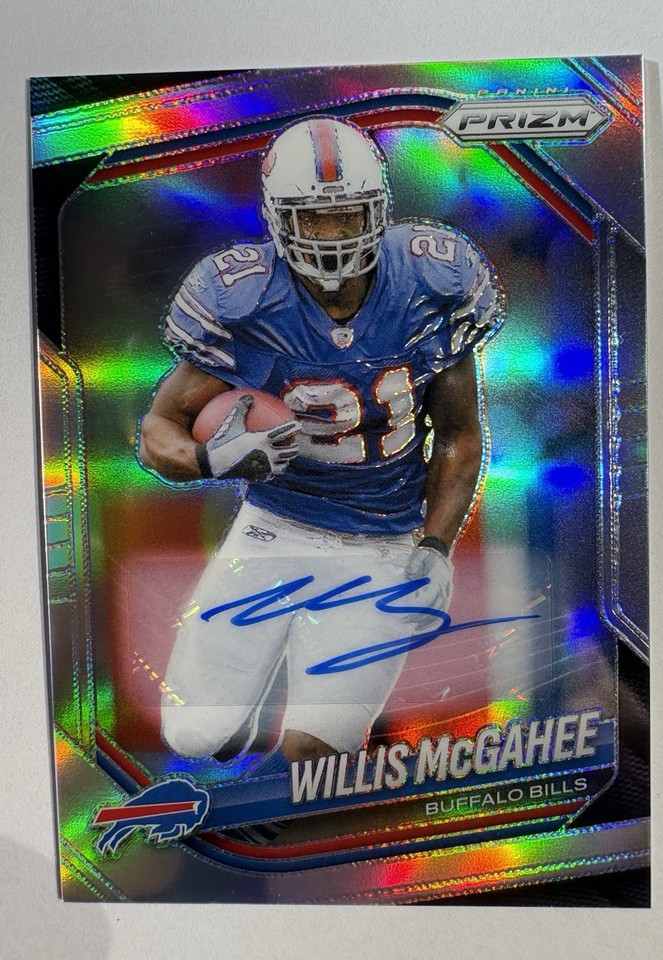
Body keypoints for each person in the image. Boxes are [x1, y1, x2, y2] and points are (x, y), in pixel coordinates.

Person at [139, 116, 503, 767]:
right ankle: (238, 716)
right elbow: (155, 432)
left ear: (379, 210)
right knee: (195, 737)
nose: (332, 237)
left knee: (313, 753)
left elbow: (459, 435)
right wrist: (209, 459)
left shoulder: (430, 283)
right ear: (278, 220)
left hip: (383, 539)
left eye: (346, 216)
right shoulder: (245, 299)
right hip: (275, 523)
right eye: (313, 219)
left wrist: (437, 546)